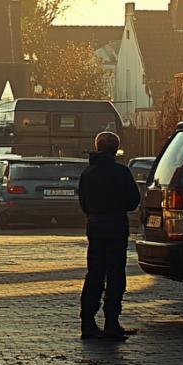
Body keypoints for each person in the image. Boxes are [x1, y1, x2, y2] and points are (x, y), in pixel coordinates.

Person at [77, 131, 141, 341]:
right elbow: (133, 201)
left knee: (94, 274)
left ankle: (87, 322)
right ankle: (111, 322)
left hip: (95, 228)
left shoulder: (88, 173)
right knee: (115, 275)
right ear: (115, 149)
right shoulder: (120, 172)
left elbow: (84, 204)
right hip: (115, 228)